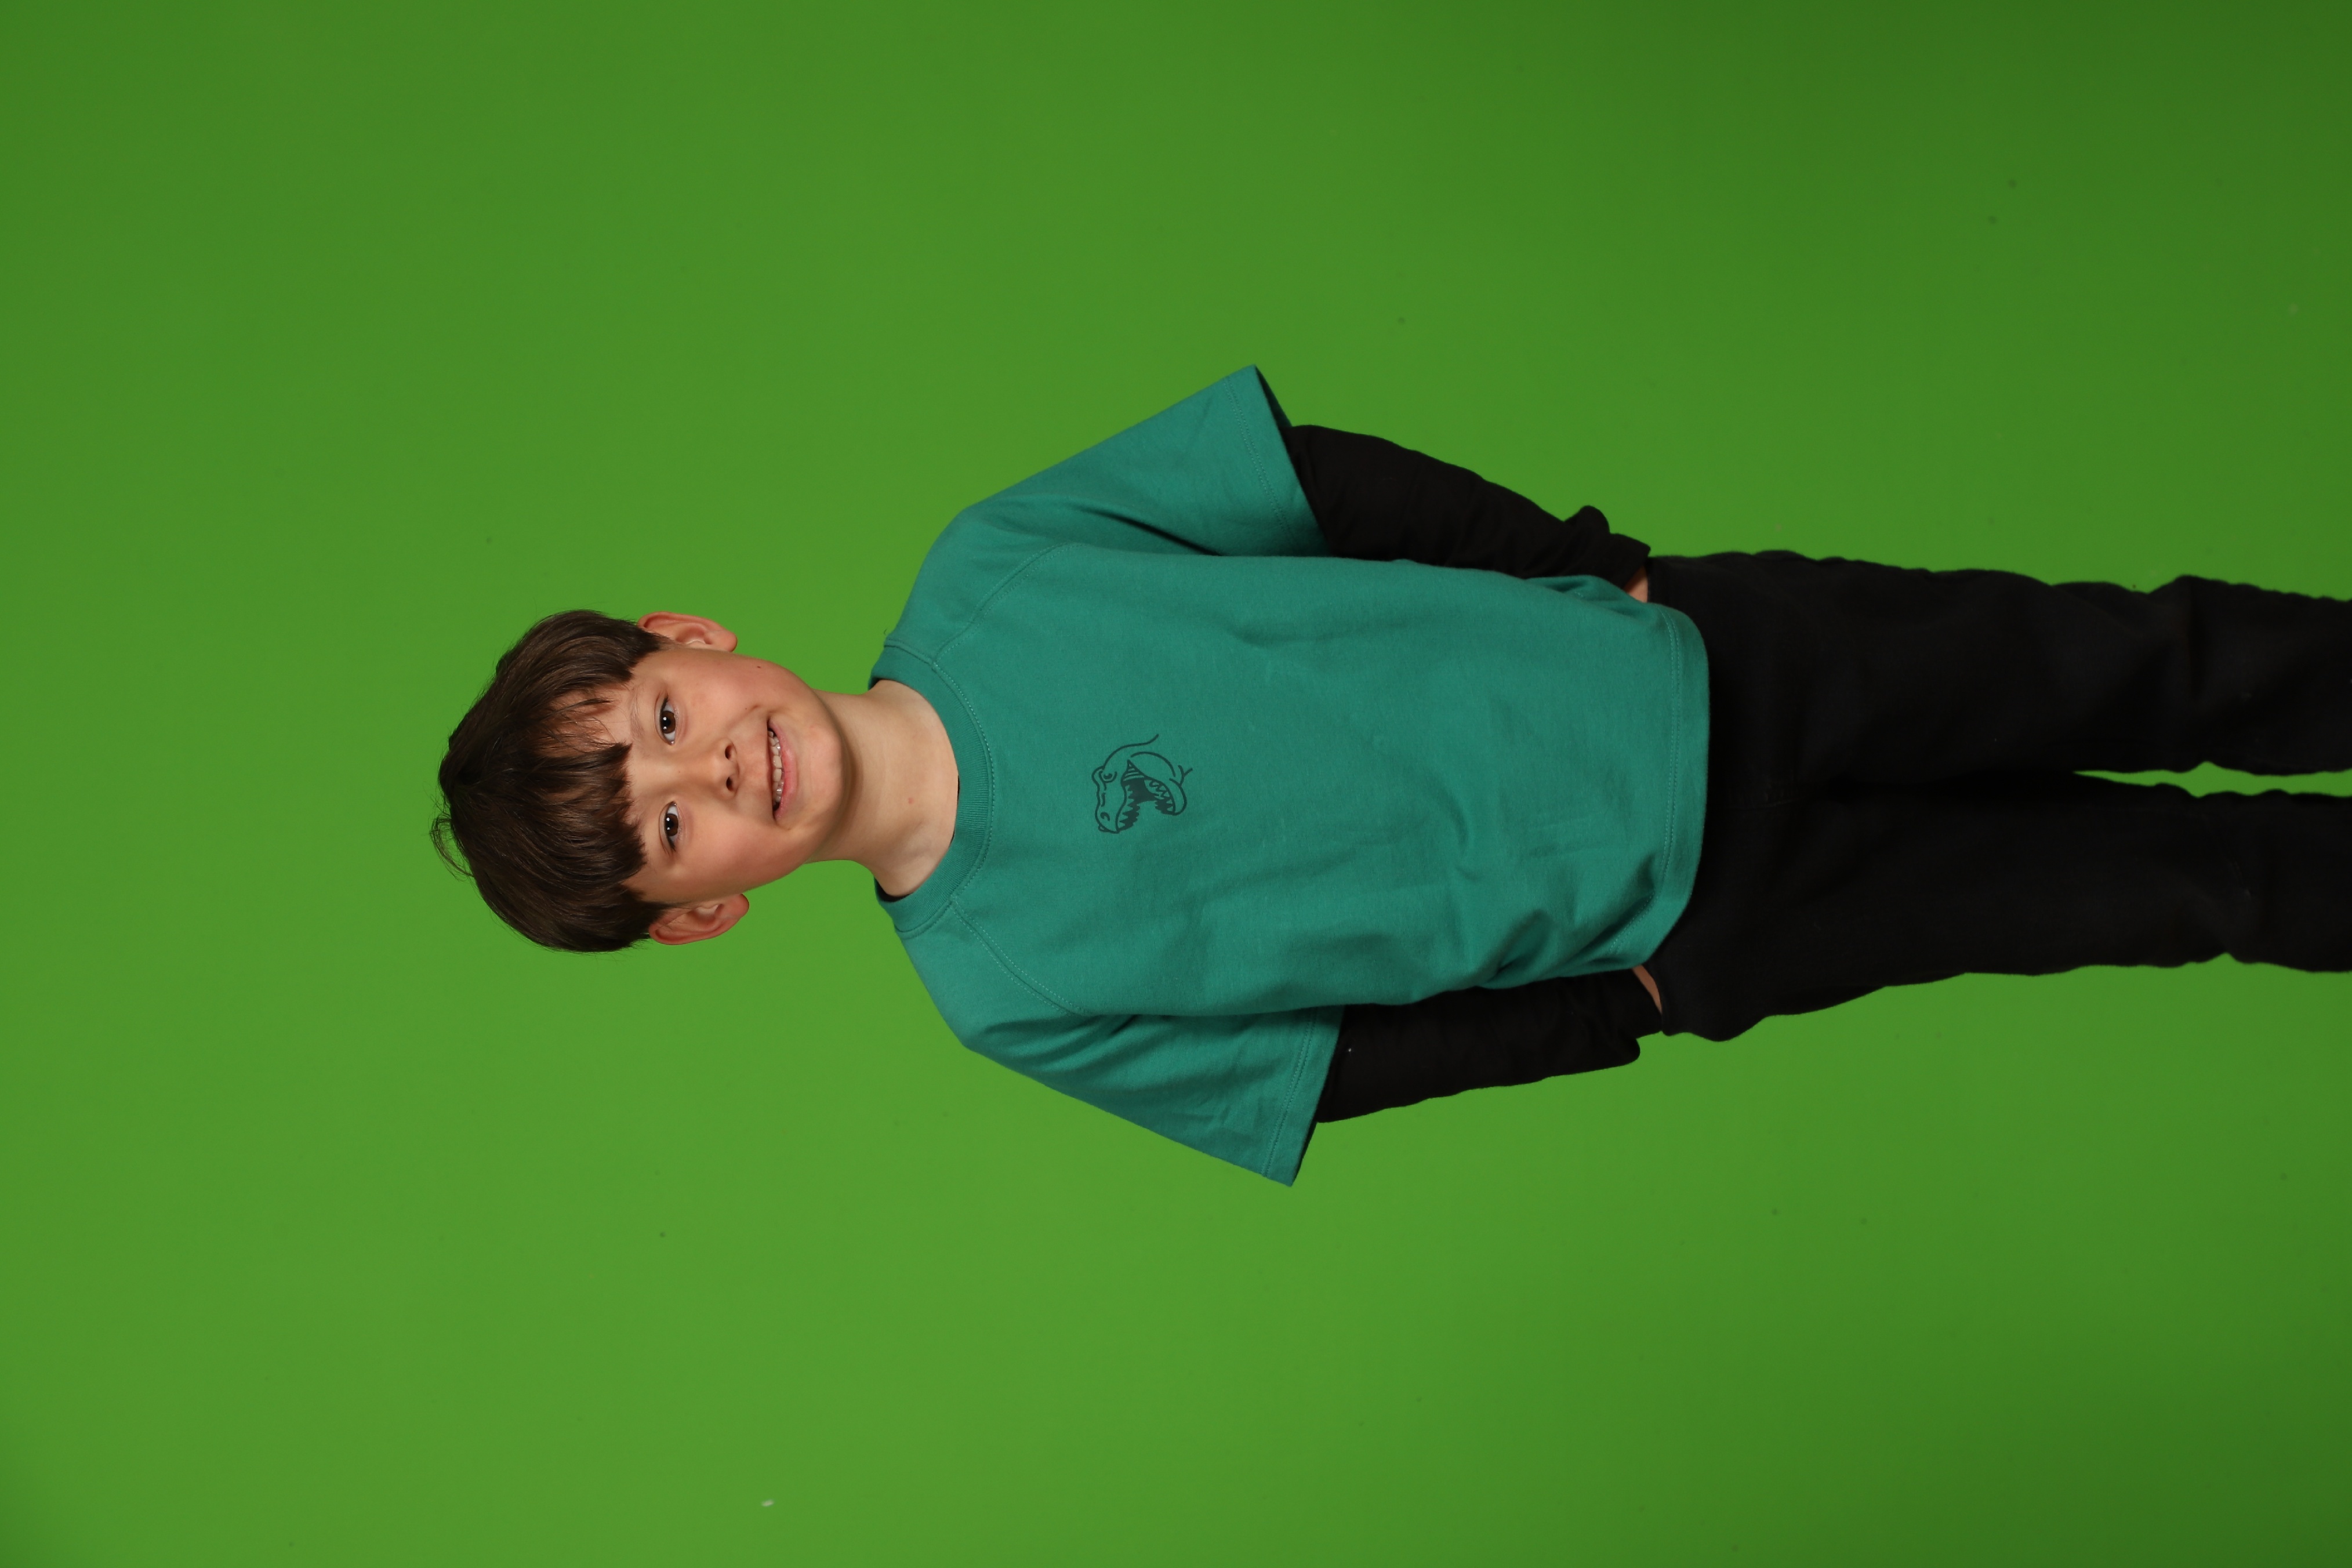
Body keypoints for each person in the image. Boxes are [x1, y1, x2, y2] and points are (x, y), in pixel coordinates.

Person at [433, 368, 2352, 1182]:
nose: (712, 768)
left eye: (661, 720)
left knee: (2149, 662)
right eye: (669, 828)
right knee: (2168, 891)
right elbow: (1338, 1068)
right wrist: (1630, 1007)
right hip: (1700, 916)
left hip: (1707, 657)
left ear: (688, 638)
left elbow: (1318, 485)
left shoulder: (997, 567)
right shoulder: (1003, 995)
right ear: (702, 914)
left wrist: (1601, 573)